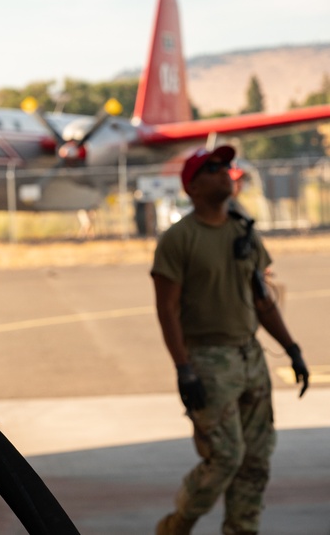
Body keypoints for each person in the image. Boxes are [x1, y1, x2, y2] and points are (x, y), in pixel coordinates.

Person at [150, 145, 310, 535]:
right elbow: (167, 310)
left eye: (227, 166)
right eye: (213, 168)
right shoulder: (179, 238)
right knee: (225, 457)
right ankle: (177, 524)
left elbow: (262, 301)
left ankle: (242, 530)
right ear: (192, 186)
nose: (226, 172)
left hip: (250, 356)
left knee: (256, 459)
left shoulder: (245, 234)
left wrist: (292, 349)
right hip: (208, 362)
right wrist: (184, 368)